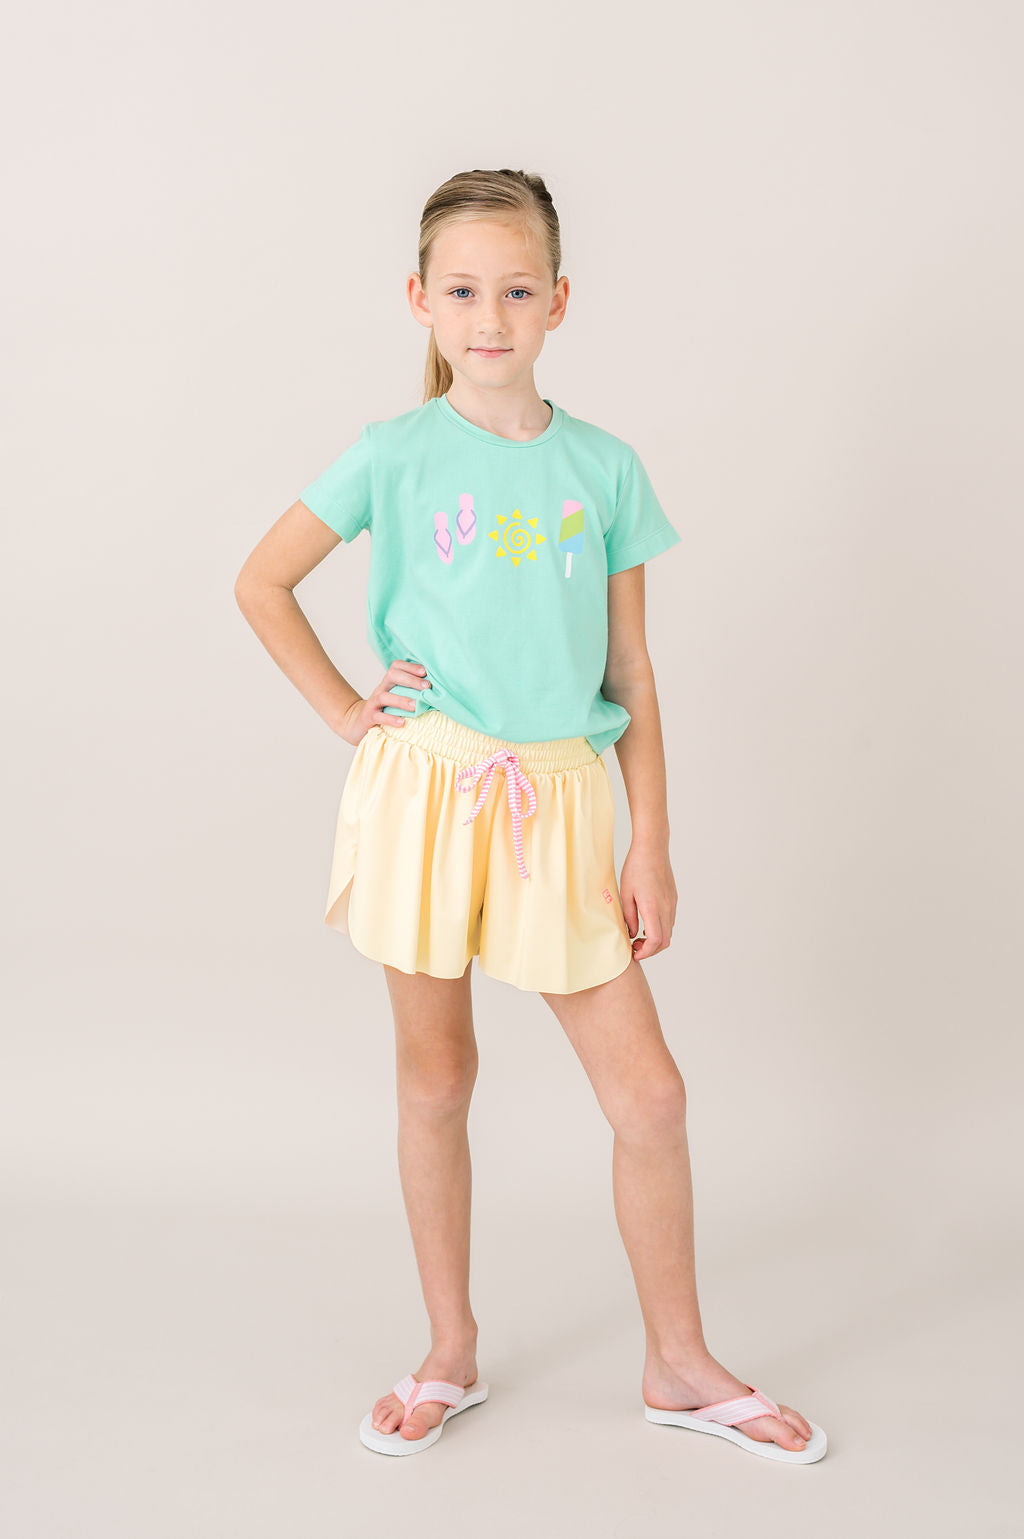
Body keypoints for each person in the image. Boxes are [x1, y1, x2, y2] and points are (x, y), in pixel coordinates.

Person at [234, 168, 827, 1464]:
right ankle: (449, 1347)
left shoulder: (602, 467)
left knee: (650, 1098)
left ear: (559, 301)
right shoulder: (393, 453)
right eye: (462, 290)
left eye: (515, 289)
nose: (488, 315)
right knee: (437, 1076)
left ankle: (678, 1361)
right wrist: (345, 710)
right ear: (420, 300)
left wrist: (650, 841)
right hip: (426, 791)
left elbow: (632, 675)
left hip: (557, 802)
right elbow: (263, 580)